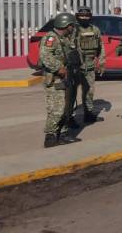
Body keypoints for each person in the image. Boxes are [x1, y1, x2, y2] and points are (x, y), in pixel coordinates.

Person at [39, 12, 82, 148]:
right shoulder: (51, 38)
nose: (73, 28)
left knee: (66, 107)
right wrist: (58, 68)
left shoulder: (64, 38)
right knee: (57, 109)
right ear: (65, 25)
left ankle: (63, 134)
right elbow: (45, 56)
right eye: (71, 25)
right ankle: (50, 136)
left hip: (66, 77)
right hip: (55, 79)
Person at [74, 6, 105, 124]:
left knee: (89, 92)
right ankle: (70, 118)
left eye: (87, 16)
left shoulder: (95, 29)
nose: (84, 18)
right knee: (72, 93)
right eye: (82, 16)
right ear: (77, 17)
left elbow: (101, 46)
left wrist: (101, 62)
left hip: (90, 65)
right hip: (76, 67)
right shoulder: (74, 30)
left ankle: (89, 114)